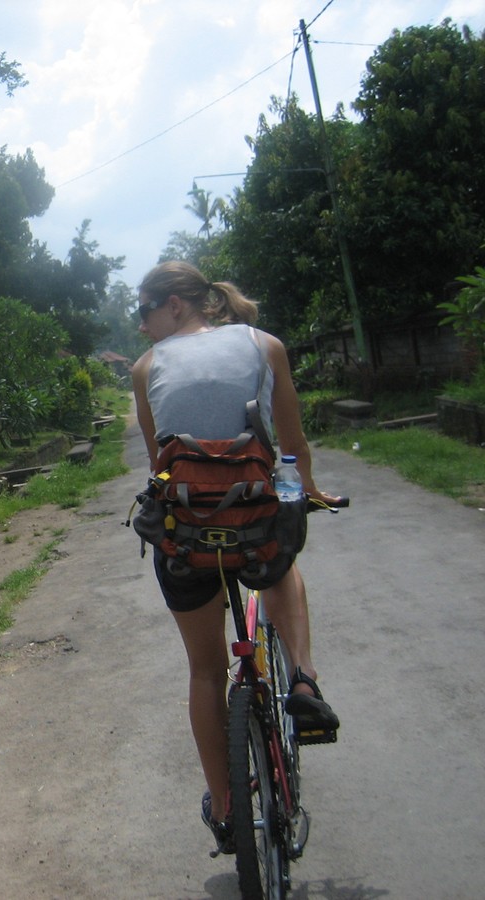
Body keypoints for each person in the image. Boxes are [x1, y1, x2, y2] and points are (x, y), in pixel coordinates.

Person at [129, 261, 341, 854]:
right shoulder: (264, 345)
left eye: (144, 311)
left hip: (186, 541)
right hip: (255, 528)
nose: (142, 326)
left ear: (175, 305)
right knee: (280, 553)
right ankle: (303, 678)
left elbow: (160, 466)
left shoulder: (145, 370)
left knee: (205, 671)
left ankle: (225, 809)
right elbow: (292, 447)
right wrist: (309, 492)